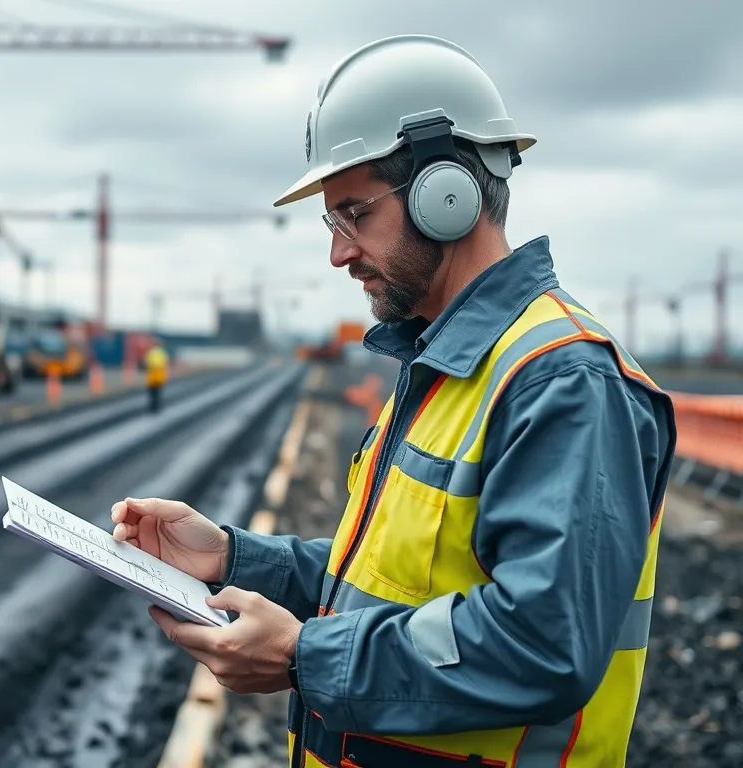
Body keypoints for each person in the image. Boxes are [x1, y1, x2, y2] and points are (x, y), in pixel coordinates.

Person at [112, 34, 676, 767]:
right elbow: (387, 585)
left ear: (450, 195)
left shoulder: (561, 382)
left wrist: (300, 657)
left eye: (355, 214)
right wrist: (232, 557)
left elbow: (544, 643)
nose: (338, 253)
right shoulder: (441, 366)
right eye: (332, 223)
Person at [143, 343, 169, 413]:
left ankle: (152, 407)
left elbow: (147, 363)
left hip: (152, 377)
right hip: (159, 377)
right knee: (157, 394)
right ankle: (157, 407)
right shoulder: (162, 353)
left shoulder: (151, 353)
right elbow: (165, 364)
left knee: (152, 394)